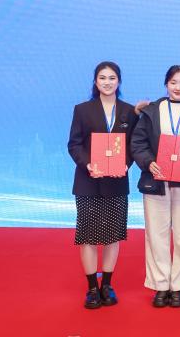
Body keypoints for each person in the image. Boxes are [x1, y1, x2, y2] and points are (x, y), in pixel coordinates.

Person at [131, 65, 180, 308]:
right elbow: (138, 143)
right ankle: (160, 284)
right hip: (156, 180)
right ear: (166, 84)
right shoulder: (151, 111)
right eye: (174, 82)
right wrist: (149, 163)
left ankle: (179, 286)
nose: (178, 87)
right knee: (156, 234)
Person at [67, 61, 138, 309]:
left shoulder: (129, 111)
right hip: (88, 181)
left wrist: (126, 164)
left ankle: (107, 284)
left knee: (112, 235)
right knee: (87, 236)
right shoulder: (82, 110)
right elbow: (74, 144)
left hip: (116, 181)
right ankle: (91, 288)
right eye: (102, 78)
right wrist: (87, 164)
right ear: (95, 81)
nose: (107, 82)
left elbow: (134, 145)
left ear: (119, 81)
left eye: (112, 78)